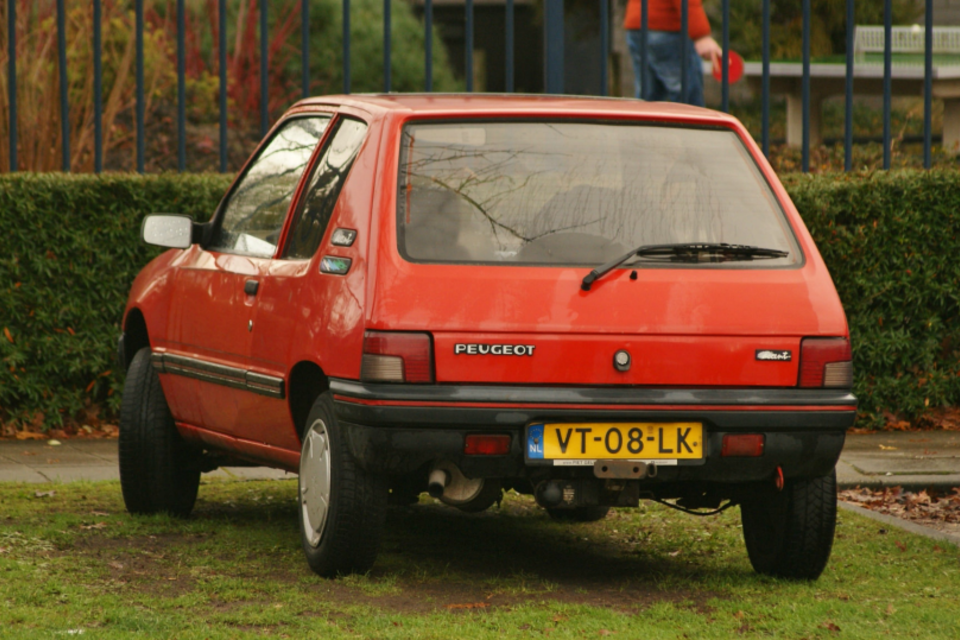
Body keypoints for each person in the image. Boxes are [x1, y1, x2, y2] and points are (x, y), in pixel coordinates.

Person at [624, 0, 723, 106]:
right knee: (687, 97)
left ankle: (642, 120)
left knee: (649, 96)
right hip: (666, 27)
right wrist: (701, 35)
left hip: (637, 24)